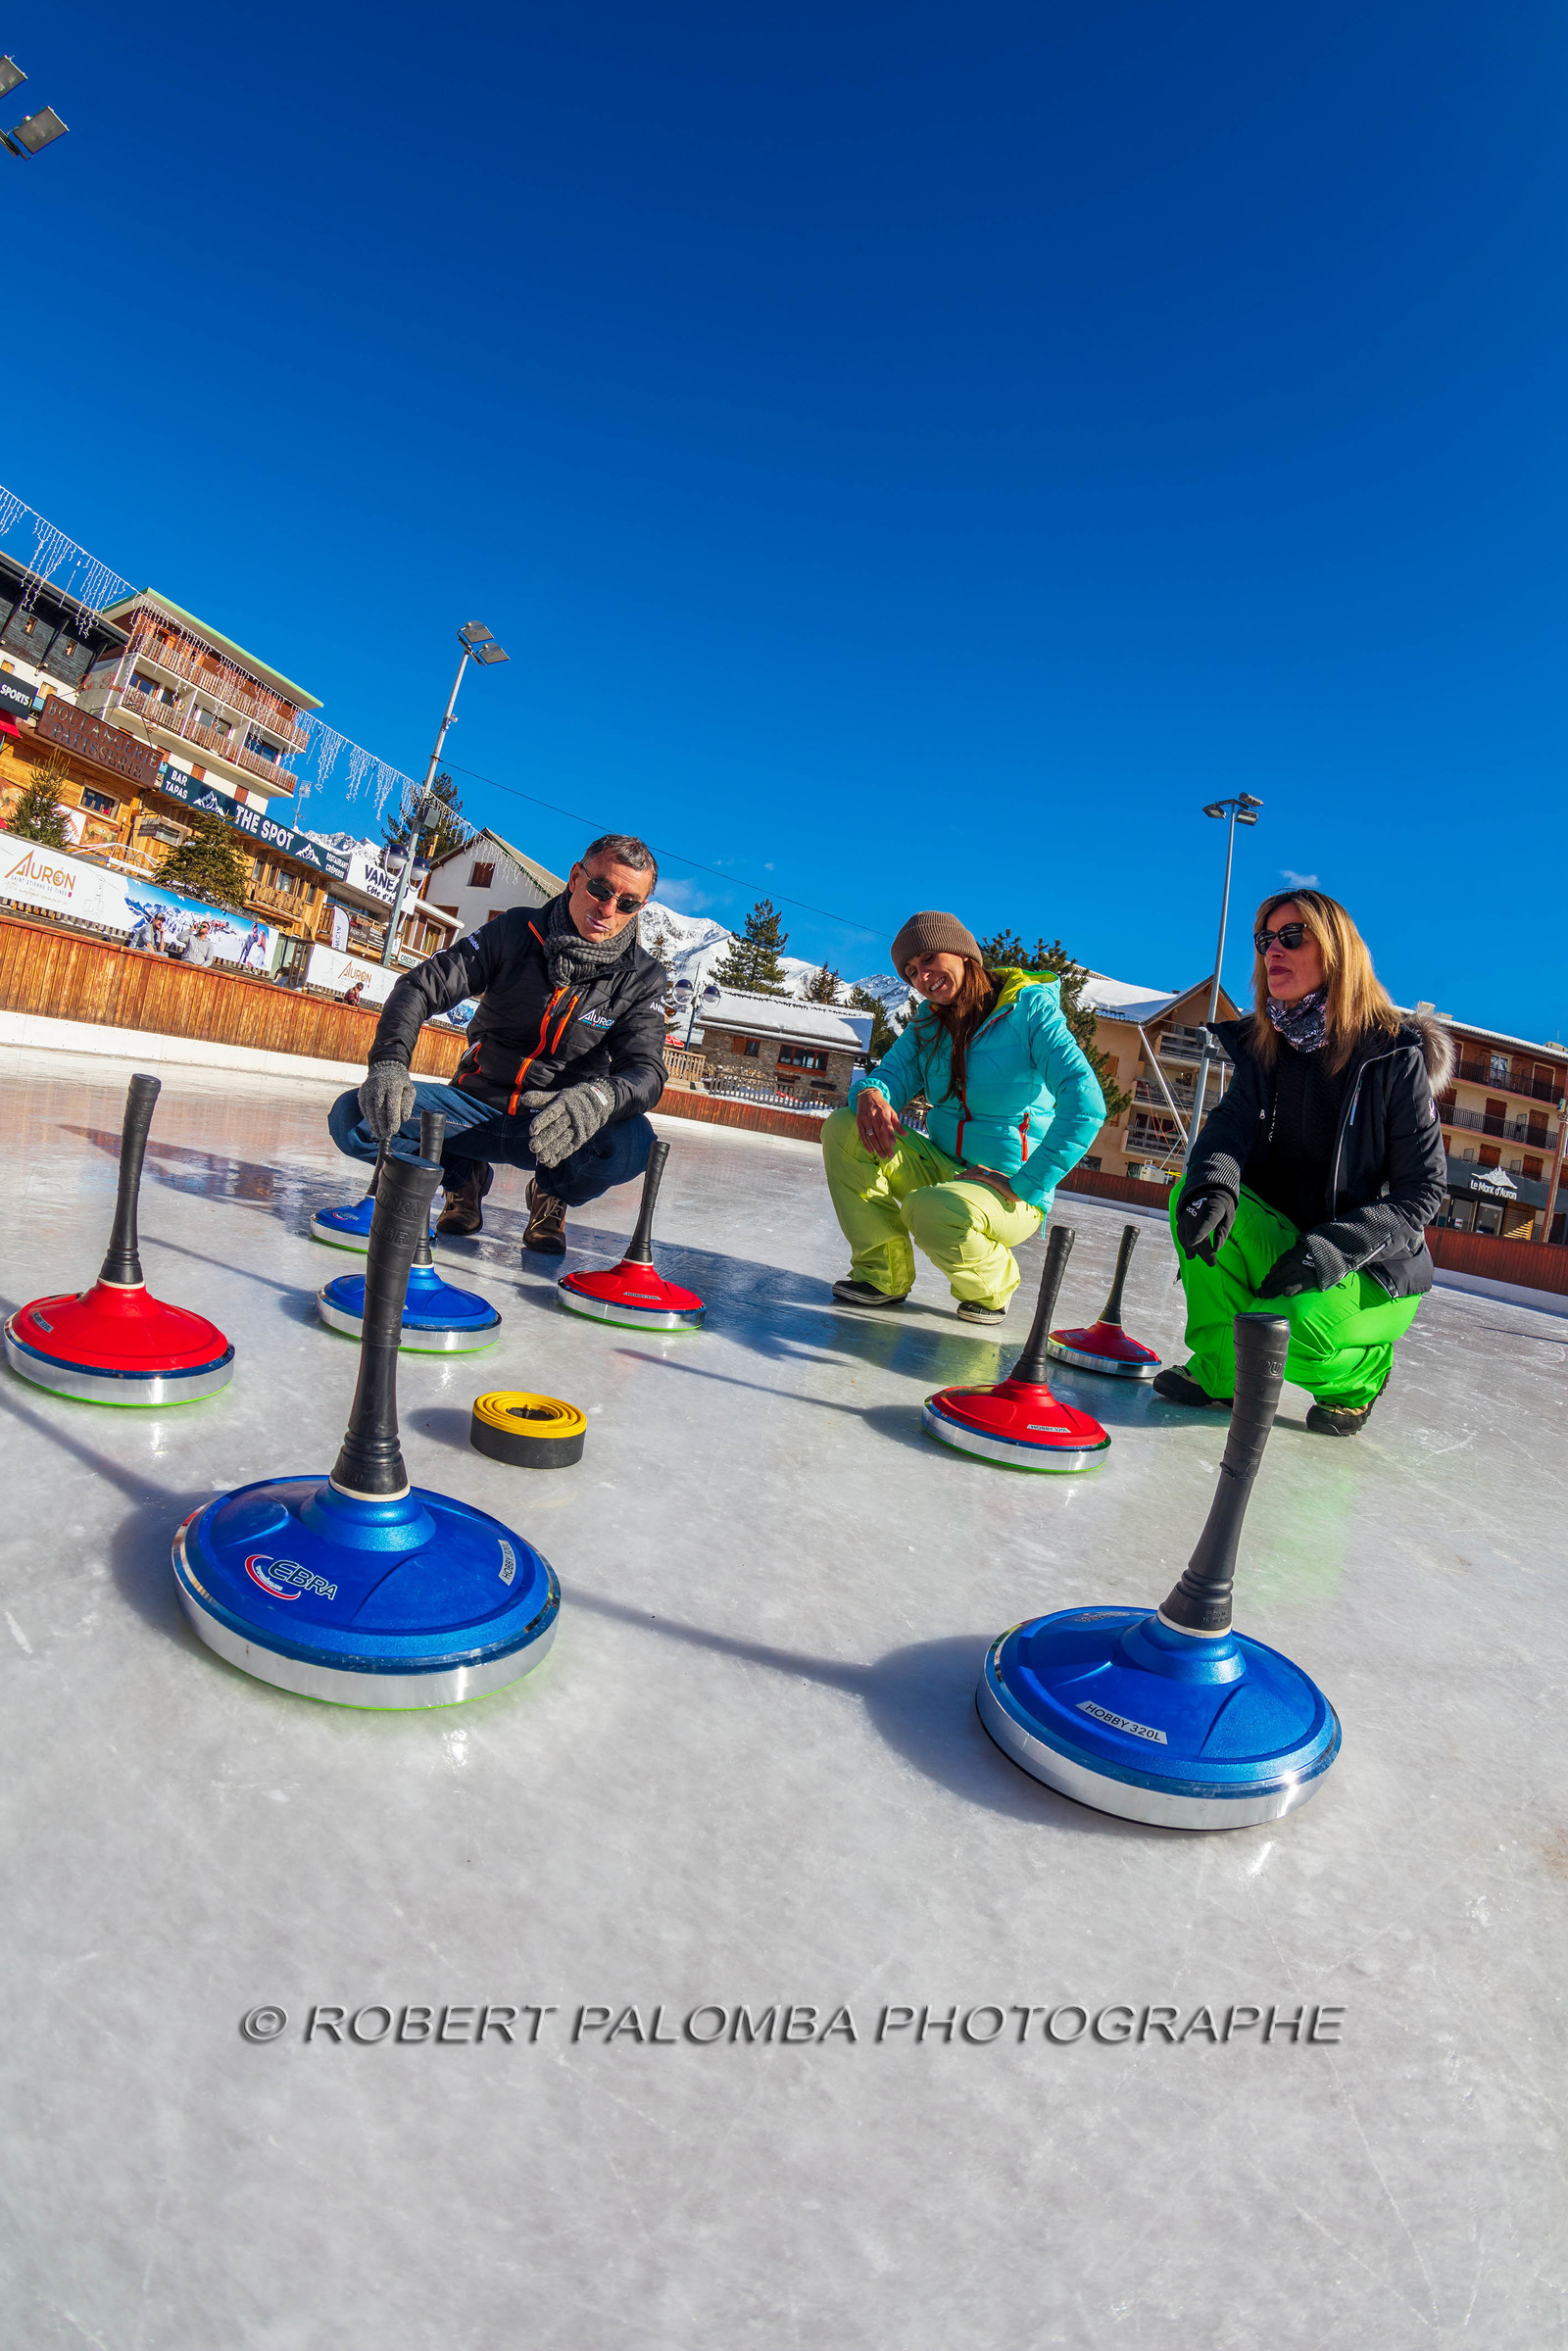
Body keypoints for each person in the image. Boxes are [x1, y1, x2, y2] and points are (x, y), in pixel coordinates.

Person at [1157, 890, 1451, 1437]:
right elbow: (1230, 1127)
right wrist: (1215, 1184)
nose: (1274, 951)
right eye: (1265, 939)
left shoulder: (1393, 1055)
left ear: (1336, 952)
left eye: (1292, 937)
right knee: (1193, 1197)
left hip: (1370, 1264)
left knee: (1286, 1335)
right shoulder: (1264, 1045)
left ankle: (1360, 1376)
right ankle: (1221, 1370)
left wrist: (1330, 1250)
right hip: (1284, 1238)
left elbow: (1421, 1191)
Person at [328, 834, 666, 1254]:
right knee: (353, 1117)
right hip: (472, 1109)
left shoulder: (642, 977)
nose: (609, 909)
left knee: (633, 1143)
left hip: (554, 1124)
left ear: (640, 909)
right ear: (576, 877)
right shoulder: (513, 930)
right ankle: (461, 1178)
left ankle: (551, 1193)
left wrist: (599, 1098)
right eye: (601, 889)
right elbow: (420, 987)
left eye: (627, 903)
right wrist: (389, 1063)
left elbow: (647, 1072)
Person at [821, 911, 1105, 1324]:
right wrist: (869, 1093)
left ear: (963, 953)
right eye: (911, 972)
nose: (922, 977)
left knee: (930, 1209)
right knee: (846, 1127)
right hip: (942, 1168)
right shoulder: (929, 1022)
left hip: (1007, 1187)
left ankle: (993, 1288)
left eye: (929, 959)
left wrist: (1026, 1183)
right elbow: (891, 1076)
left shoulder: (1031, 1012)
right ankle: (883, 1274)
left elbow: (1087, 1104)